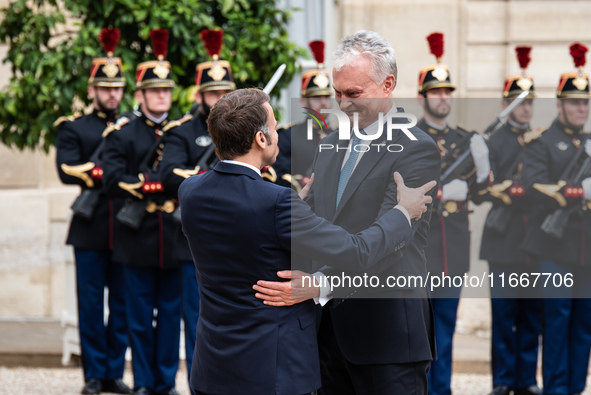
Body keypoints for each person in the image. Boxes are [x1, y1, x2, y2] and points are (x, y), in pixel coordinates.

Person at [178, 87, 436, 395]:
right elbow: (357, 251)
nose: (276, 132)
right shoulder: (276, 204)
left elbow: (246, 232)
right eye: (273, 127)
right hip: (273, 371)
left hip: (213, 365)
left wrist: (292, 211)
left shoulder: (190, 191)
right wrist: (402, 214)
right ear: (261, 139)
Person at [256, 30, 442, 394]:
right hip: (328, 335)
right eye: (338, 93)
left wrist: (320, 284)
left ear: (387, 84)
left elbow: (391, 242)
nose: (342, 103)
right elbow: (317, 226)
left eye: (353, 94)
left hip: (387, 335)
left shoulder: (416, 148)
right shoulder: (331, 144)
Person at [102, 29, 181, 395]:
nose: (162, 95)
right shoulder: (123, 134)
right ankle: (144, 383)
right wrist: (147, 183)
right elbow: (111, 179)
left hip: (174, 238)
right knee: (137, 318)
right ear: (141, 95)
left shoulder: (182, 133)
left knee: (169, 318)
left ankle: (165, 383)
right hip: (136, 237)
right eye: (155, 90)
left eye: (166, 90)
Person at [55, 28, 131, 395]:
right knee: (89, 305)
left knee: (121, 305)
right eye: (105, 87)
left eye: (117, 87)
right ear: (92, 90)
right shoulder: (75, 127)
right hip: (89, 226)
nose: (112, 93)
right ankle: (93, 375)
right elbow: (66, 167)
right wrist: (106, 171)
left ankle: (114, 373)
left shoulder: (133, 126)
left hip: (127, 227)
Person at [159, 28, 236, 384]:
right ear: (200, 94)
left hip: (240, 239)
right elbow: (169, 174)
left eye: (225, 92)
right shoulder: (180, 131)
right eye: (212, 92)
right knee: (198, 322)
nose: (219, 98)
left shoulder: (246, 130)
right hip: (196, 244)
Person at [416, 31, 488, 395]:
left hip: (454, 250)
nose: (443, 97)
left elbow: (482, 191)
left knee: (446, 331)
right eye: (435, 91)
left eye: (447, 92)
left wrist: (483, 165)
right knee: (418, 335)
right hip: (419, 252)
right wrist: (444, 192)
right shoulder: (410, 139)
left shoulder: (464, 138)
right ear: (422, 96)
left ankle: (441, 391)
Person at [520, 43, 591, 395]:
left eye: (585, 102)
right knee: (557, 324)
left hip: (587, 250)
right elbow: (531, 188)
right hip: (555, 249)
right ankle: (557, 389)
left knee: (584, 325)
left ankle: (576, 388)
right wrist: (578, 192)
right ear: (560, 105)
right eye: (575, 102)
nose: (581, 108)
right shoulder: (542, 142)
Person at [476, 46, 541, 395]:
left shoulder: (543, 139)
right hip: (503, 241)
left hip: (535, 240)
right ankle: (502, 380)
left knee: (532, 316)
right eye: (517, 101)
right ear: (505, 105)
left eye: (529, 101)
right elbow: (483, 189)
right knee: (503, 316)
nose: (524, 108)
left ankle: (527, 379)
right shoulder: (493, 140)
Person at [273, 40, 333, 192]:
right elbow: (279, 177)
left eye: (326, 97)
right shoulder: (287, 136)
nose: (323, 103)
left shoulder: (343, 136)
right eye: (316, 98)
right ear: (303, 101)